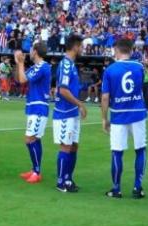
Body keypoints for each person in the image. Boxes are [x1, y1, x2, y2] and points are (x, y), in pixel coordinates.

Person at [100, 39, 148, 198]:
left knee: (117, 152)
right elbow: (141, 86)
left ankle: (116, 188)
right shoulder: (139, 67)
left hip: (118, 114)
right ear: (131, 50)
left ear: (117, 50)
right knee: (140, 149)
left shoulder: (110, 70)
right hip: (137, 112)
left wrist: (104, 119)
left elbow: (105, 97)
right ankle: (137, 187)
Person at [54, 35, 87, 192]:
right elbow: (63, 90)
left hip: (72, 112)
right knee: (66, 147)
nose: (82, 49)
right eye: (81, 46)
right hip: (64, 112)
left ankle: (68, 179)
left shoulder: (71, 64)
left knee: (73, 146)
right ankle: (61, 182)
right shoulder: (66, 65)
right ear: (75, 46)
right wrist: (80, 104)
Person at [16, 42, 52, 184]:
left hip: (39, 106)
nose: (29, 52)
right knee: (35, 138)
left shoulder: (43, 67)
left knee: (29, 138)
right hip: (33, 106)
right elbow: (21, 79)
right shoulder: (35, 67)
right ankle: (34, 169)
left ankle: (37, 172)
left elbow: (23, 79)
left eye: (31, 50)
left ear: (35, 51)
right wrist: (20, 64)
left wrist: (20, 63)